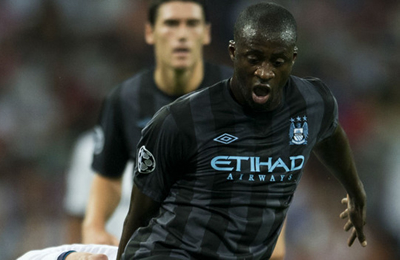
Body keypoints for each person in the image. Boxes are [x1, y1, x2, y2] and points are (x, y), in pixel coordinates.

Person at [116, 2, 367, 260]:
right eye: (254, 58)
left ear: (293, 58)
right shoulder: (180, 120)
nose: (264, 72)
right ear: (233, 52)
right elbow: (139, 213)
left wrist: (355, 191)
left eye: (277, 61)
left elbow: (330, 135)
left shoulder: (314, 102)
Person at [80, 0, 286, 258]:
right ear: (150, 32)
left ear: (206, 32)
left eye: (192, 24)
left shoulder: (243, 93)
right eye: (171, 23)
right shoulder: (124, 100)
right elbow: (108, 176)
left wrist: (275, 240)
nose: (182, 34)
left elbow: (272, 169)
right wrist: (94, 224)